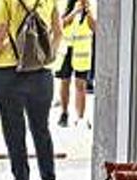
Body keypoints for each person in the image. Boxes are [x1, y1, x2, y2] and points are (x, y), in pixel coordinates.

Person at [0, 0, 62, 180]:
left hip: (8, 71)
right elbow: (58, 31)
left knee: (14, 132)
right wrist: (47, 57)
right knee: (41, 128)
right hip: (40, 72)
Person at [55, 0, 94, 128]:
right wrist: (74, 12)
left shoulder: (90, 3)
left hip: (82, 51)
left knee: (80, 84)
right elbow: (59, 25)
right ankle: (64, 113)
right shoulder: (63, 2)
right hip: (66, 50)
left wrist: (88, 13)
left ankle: (80, 117)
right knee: (65, 82)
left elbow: (95, 27)